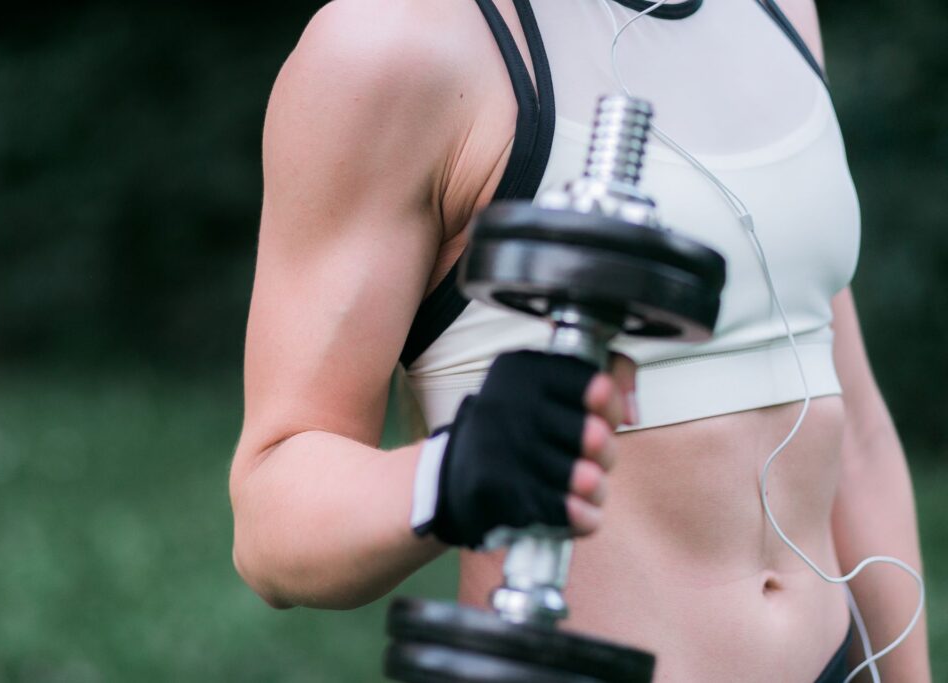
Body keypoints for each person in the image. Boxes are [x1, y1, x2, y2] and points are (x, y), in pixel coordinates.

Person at [228, 0, 930, 680]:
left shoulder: (780, 11)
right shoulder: (394, 42)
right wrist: (453, 471)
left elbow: (855, 432)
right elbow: (270, 518)